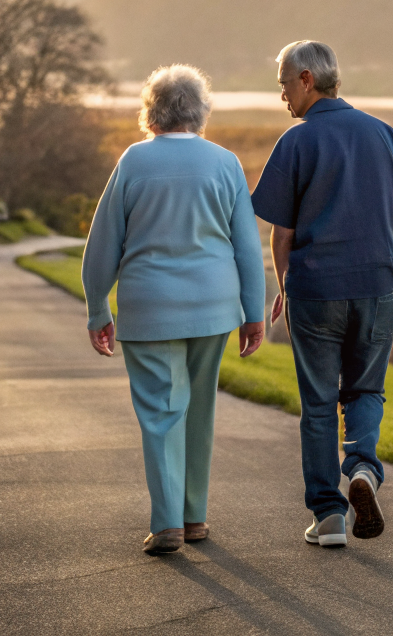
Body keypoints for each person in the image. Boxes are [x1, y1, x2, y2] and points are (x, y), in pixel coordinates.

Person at [82, 63, 266, 556]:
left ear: (152, 113)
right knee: (199, 408)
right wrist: (253, 313)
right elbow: (248, 247)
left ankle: (167, 524)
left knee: (164, 411)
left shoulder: (134, 162)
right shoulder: (225, 163)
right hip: (213, 307)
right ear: (199, 112)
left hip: (150, 307)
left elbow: (103, 244)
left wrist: (97, 306)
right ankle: (194, 516)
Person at [251, 40, 393, 548]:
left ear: (306, 79)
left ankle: (328, 516)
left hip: (316, 293)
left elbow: (281, 234)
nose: (282, 96)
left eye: (283, 84)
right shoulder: (383, 134)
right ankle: (364, 469)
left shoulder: (296, 142)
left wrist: (285, 288)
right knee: (366, 390)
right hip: (376, 289)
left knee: (320, 403)